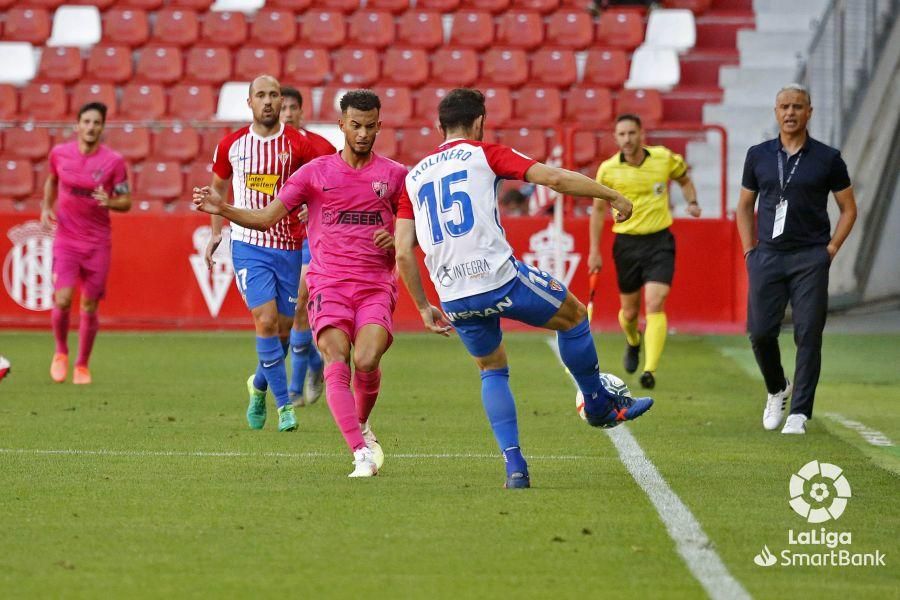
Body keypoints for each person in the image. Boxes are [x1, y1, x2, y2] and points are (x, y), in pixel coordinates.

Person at [393, 88, 654, 489]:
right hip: (499, 278)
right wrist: (611, 194)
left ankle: (515, 468)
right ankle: (599, 404)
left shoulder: (414, 177)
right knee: (573, 316)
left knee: (492, 370)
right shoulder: (484, 153)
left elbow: (403, 253)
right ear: (479, 122)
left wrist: (424, 306)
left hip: (453, 294)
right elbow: (552, 179)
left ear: (439, 126)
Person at [194, 90, 405, 478]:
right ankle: (359, 451)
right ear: (342, 125)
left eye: (370, 126)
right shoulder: (315, 173)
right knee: (336, 357)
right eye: (355, 125)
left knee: (367, 360)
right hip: (329, 285)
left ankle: (361, 422)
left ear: (379, 126)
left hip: (376, 284)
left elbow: (418, 229)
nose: (362, 133)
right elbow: (265, 217)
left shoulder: (394, 176)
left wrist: (398, 241)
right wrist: (222, 209)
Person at [200, 75, 322, 433]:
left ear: (280, 100)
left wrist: (310, 207)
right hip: (249, 246)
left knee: (282, 333)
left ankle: (258, 386)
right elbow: (218, 187)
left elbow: (329, 178)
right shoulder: (231, 145)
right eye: (261, 96)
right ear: (250, 102)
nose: (268, 101)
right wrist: (215, 233)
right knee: (265, 321)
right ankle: (285, 406)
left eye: (273, 95)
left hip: (289, 246)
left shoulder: (301, 144)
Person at [737, 84, 857, 435]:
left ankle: (799, 413)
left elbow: (848, 209)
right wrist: (749, 251)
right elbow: (745, 206)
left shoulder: (828, 158)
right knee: (760, 333)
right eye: (784, 107)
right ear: (776, 112)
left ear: (809, 112)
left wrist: (831, 249)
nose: (790, 113)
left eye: (798, 107)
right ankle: (777, 388)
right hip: (768, 255)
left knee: (808, 334)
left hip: (810, 257)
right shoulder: (758, 155)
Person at [589, 114, 701, 390]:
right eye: (622, 134)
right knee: (629, 313)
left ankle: (649, 369)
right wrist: (594, 250)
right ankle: (633, 340)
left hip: (659, 241)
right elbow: (599, 210)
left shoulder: (664, 158)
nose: (627, 139)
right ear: (616, 138)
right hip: (626, 245)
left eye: (631, 133)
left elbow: (684, 179)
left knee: (655, 303)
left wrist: (692, 201)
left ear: (642, 134)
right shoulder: (608, 170)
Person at [41, 102, 131, 384]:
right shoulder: (60, 154)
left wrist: (112, 202)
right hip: (66, 239)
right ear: (77, 125)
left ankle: (81, 365)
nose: (91, 127)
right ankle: (60, 353)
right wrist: (46, 206)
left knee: (90, 305)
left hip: (97, 243)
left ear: (103, 127)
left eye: (96, 123)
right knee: (63, 298)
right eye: (86, 122)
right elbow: (52, 180)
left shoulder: (114, 162)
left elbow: (126, 201)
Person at [279, 86, 335, 407]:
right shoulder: (265, 149)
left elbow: (336, 186)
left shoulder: (320, 147)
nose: (286, 112)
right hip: (278, 238)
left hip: (312, 237)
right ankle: (315, 365)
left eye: (292, 107)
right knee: (285, 316)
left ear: (302, 112)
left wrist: (314, 206)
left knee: (301, 305)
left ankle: (294, 390)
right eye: (282, 106)